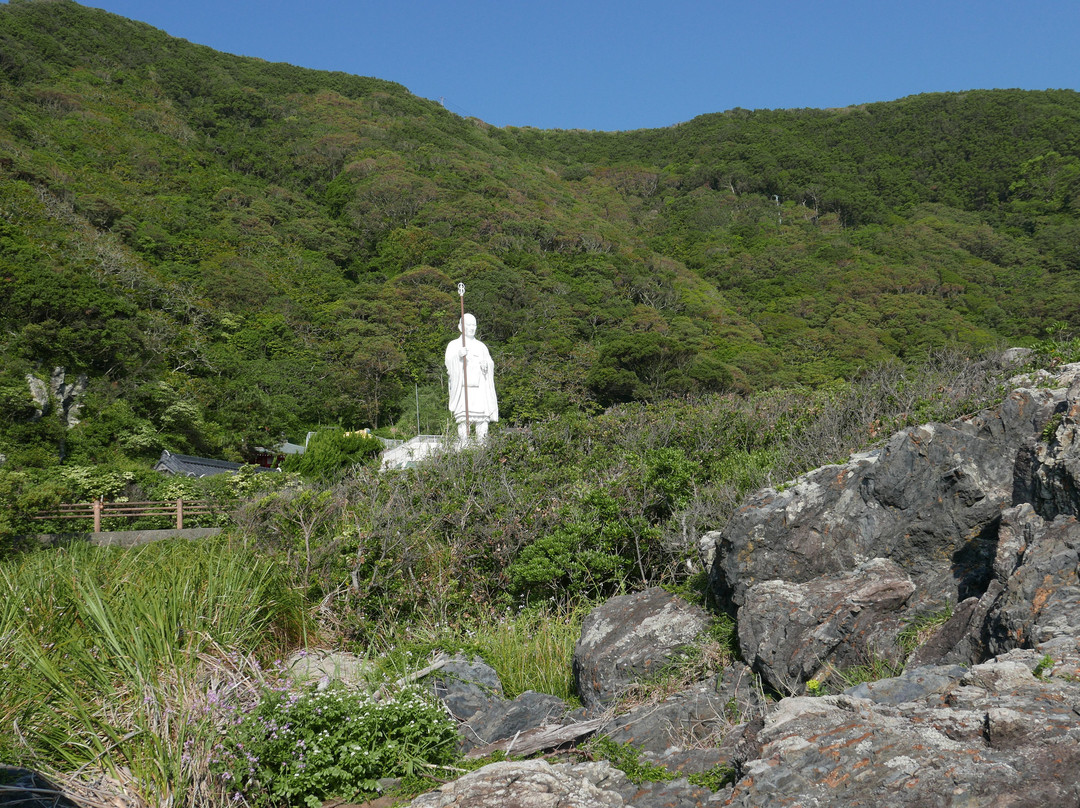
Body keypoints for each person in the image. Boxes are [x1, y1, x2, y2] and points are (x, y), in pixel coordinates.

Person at [445, 313, 498, 443]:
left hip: (479, 388)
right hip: (463, 388)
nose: (472, 328)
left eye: (474, 325)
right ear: (461, 327)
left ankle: (482, 445)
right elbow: (449, 364)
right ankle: (464, 444)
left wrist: (486, 365)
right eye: (468, 325)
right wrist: (458, 356)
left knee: (482, 420)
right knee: (464, 419)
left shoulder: (481, 346)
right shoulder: (454, 344)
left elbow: (490, 363)